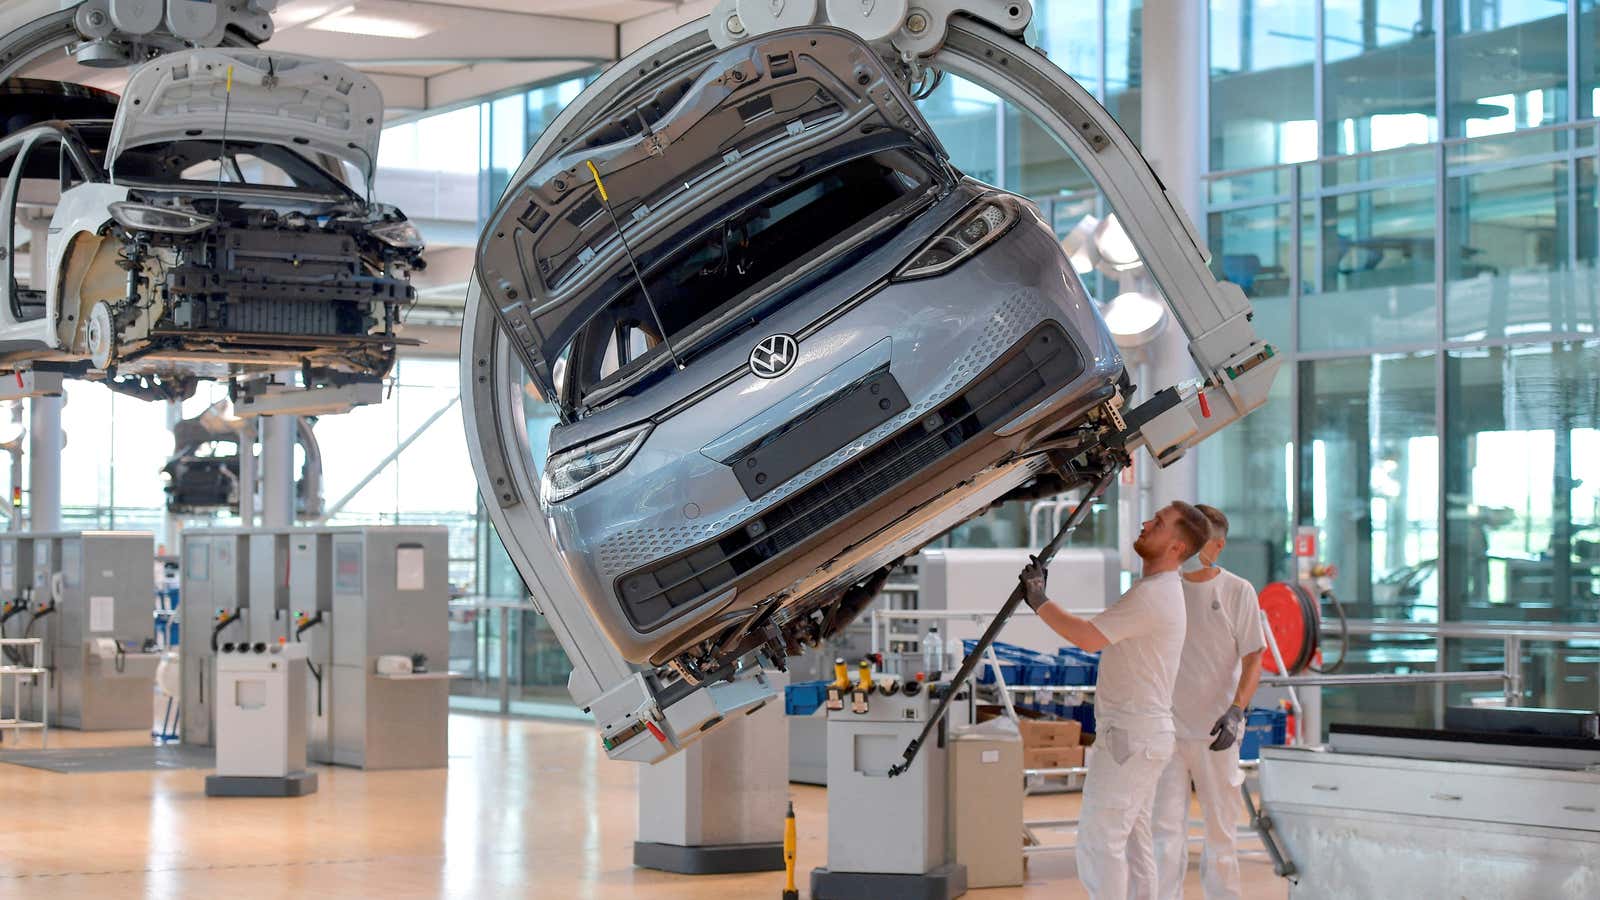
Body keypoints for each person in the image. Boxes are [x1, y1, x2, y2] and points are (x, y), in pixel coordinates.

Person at [1020, 501, 1211, 900]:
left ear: (1177, 547)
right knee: (1130, 838)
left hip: (1132, 735)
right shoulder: (1154, 590)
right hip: (1142, 735)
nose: (1146, 523)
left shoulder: (1154, 595)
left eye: (1157, 523)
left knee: (1100, 836)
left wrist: (1039, 600)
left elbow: (1088, 638)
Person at [1137, 504, 1265, 900]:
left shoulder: (1237, 591)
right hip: (1167, 731)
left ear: (1217, 546)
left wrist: (1236, 711)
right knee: (1165, 833)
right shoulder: (1162, 587)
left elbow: (1254, 657)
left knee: (1221, 832)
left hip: (1217, 732)